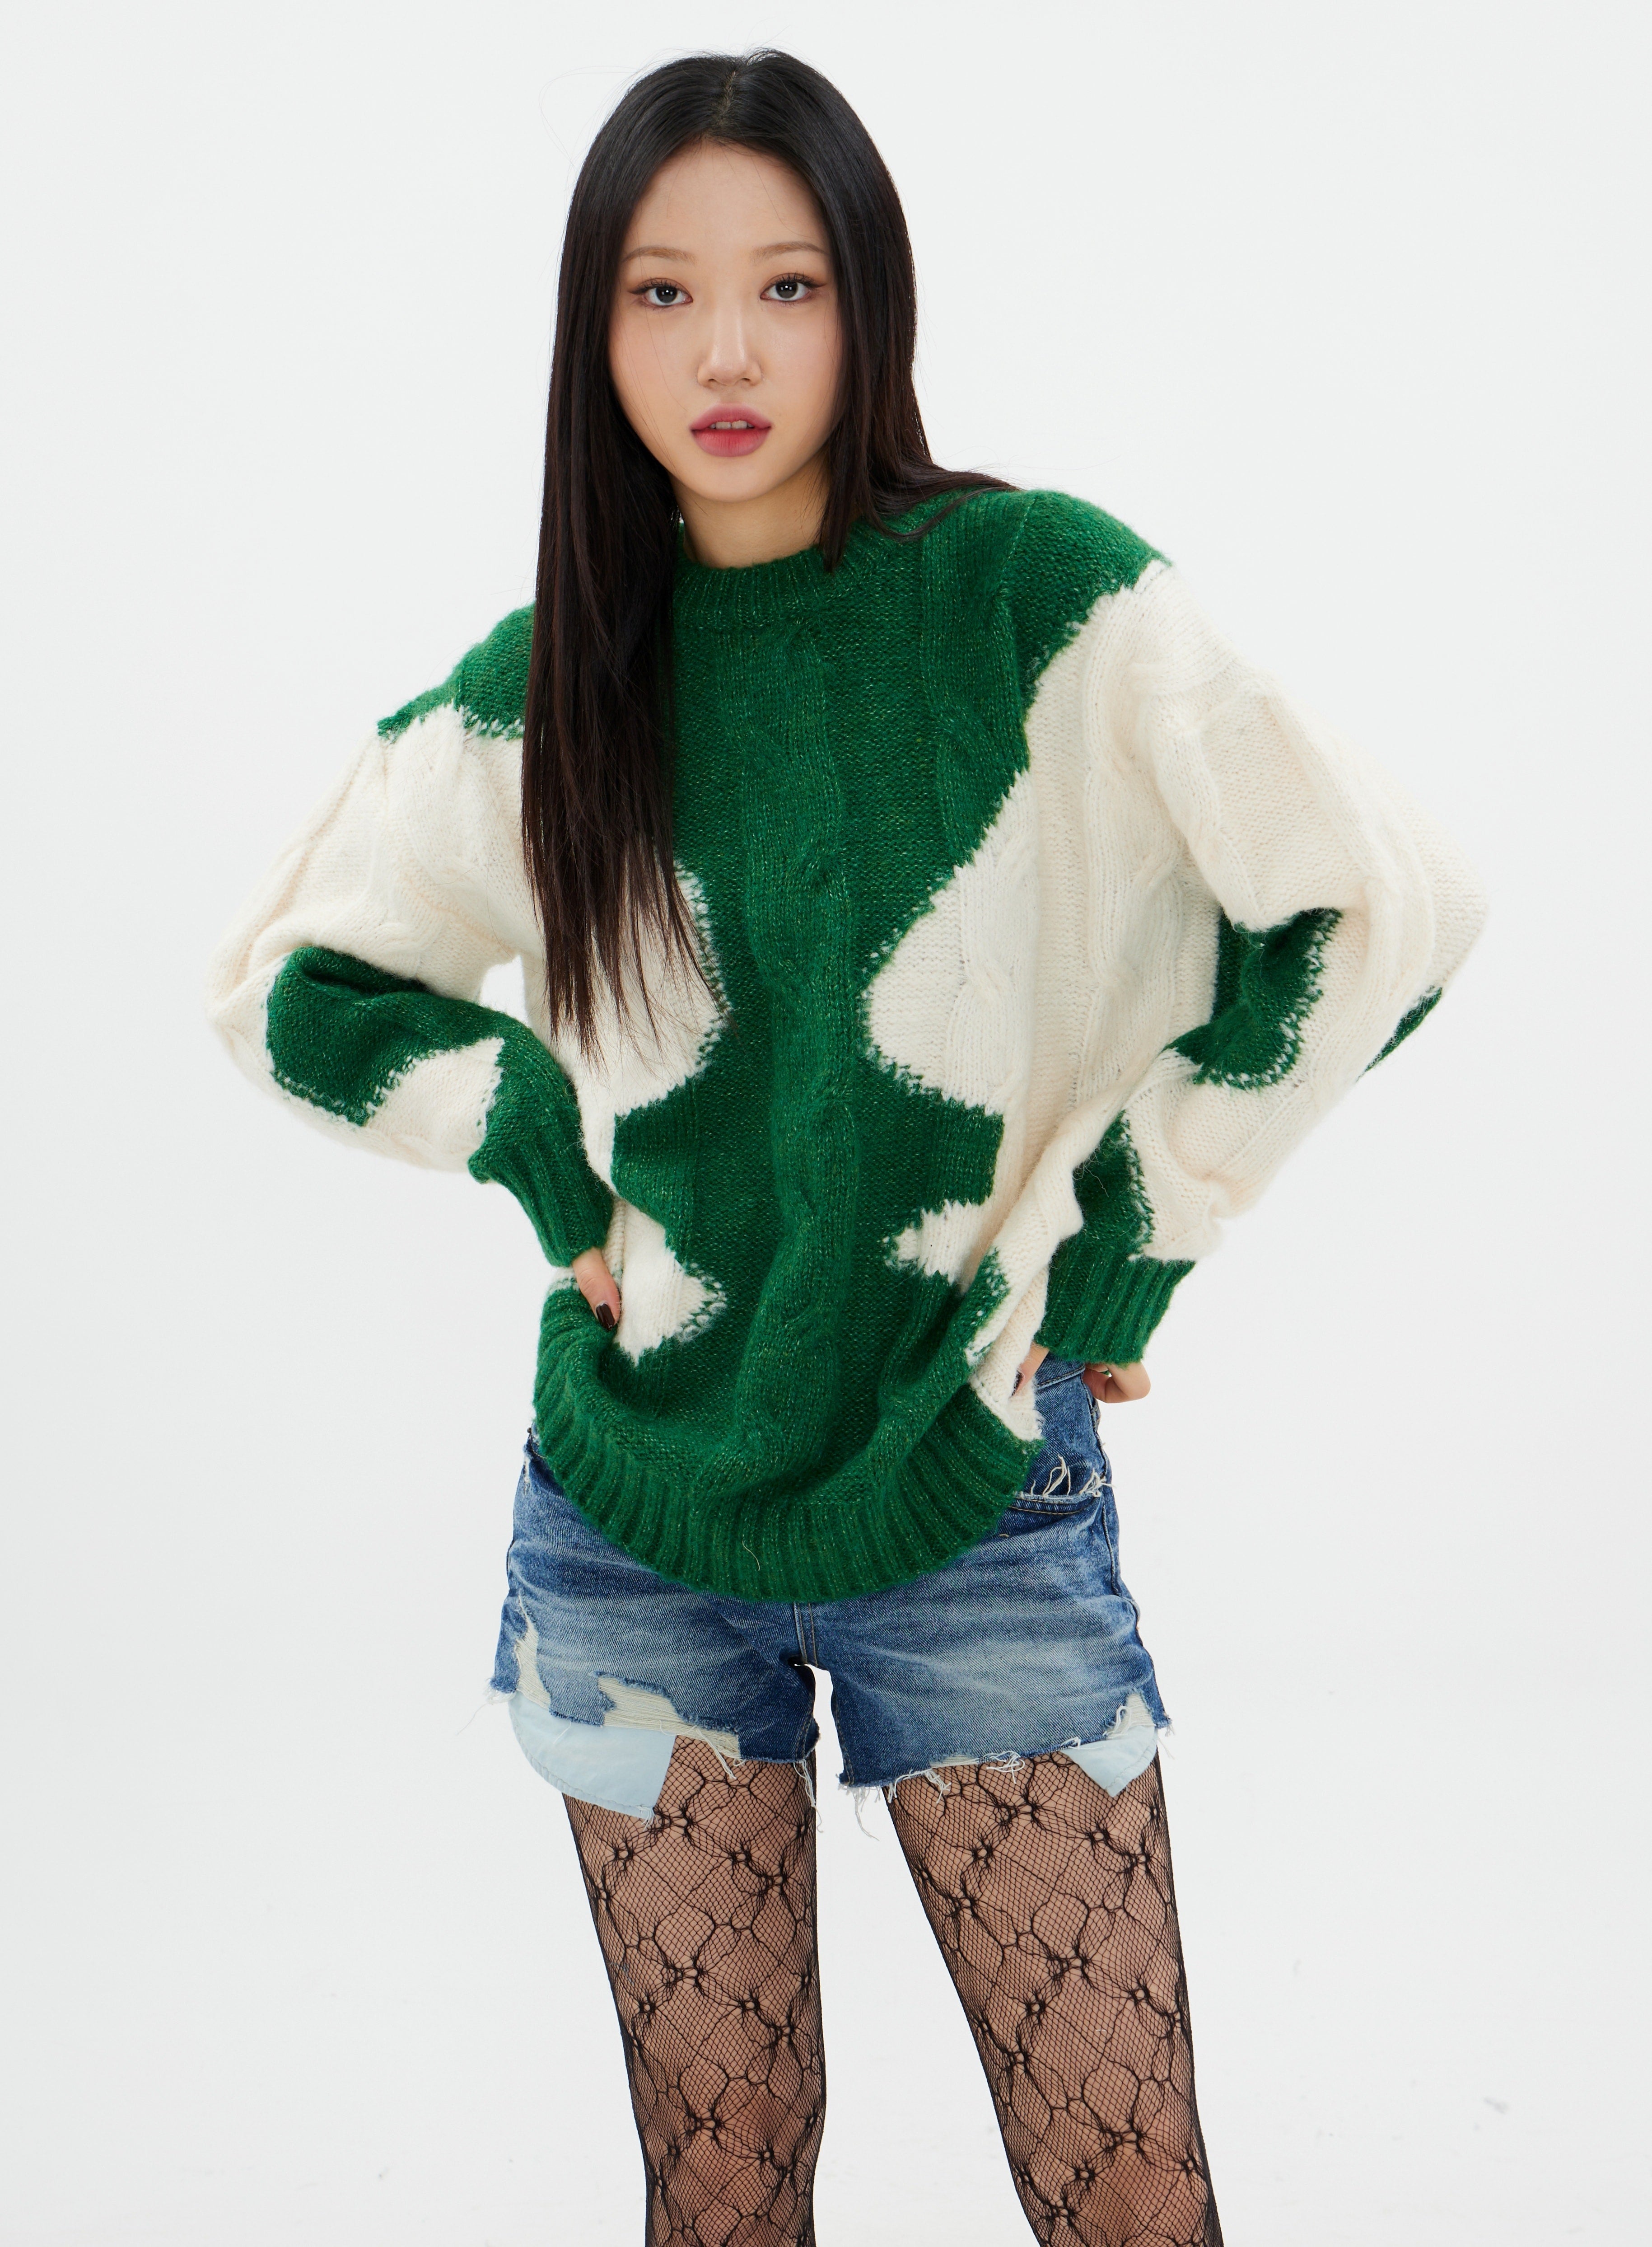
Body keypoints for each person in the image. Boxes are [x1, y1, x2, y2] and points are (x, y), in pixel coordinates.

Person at [205, 47, 1487, 2247]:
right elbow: (289, 984)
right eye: (663, 291)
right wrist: (530, 1136)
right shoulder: (555, 685)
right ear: (594, 331)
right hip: (630, 1518)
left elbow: (1382, 906)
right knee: (720, 2196)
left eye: (786, 286)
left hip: (968, 1484)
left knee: (1126, 2194)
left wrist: (1132, 1232)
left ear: (867, 303)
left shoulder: (1033, 598)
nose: (726, 350)